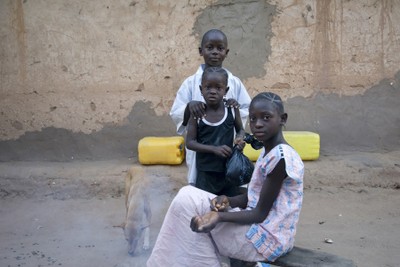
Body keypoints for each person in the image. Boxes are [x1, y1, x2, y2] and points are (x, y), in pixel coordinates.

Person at [147, 92, 304, 267]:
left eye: (266, 118)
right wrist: (227, 200)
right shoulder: (270, 151)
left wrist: (219, 216)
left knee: (191, 215)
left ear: (282, 119)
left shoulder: (281, 158)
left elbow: (259, 213)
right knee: (186, 196)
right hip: (258, 228)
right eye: (252, 119)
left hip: (267, 239)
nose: (258, 124)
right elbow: (253, 196)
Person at [170, 29, 251, 185]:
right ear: (201, 51)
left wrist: (235, 108)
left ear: (226, 52)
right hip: (202, 150)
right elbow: (176, 113)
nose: (215, 52)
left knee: (229, 186)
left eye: (220, 48)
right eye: (210, 47)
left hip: (227, 145)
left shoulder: (234, 83)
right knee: (201, 189)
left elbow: (245, 109)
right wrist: (189, 107)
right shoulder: (190, 83)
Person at [185, 67, 245, 197]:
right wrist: (214, 149)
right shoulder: (197, 113)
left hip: (228, 171)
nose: (213, 91)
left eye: (218, 88)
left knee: (229, 205)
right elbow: (189, 143)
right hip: (205, 173)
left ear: (226, 90)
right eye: (208, 87)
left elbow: (240, 130)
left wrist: (240, 139)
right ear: (201, 90)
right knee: (205, 206)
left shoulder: (232, 110)